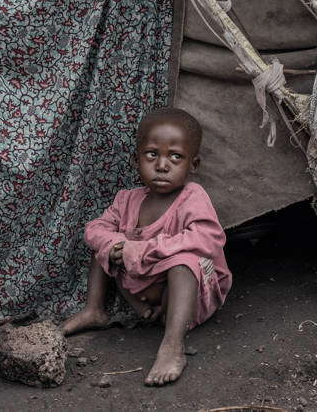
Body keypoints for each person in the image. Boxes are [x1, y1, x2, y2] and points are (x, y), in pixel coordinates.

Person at [61, 107, 232, 386]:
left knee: (184, 262)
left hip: (189, 298)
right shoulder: (127, 199)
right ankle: (95, 309)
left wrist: (145, 249)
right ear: (136, 159)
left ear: (193, 164)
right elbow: (94, 230)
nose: (162, 165)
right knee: (104, 246)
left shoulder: (192, 197)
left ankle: (172, 345)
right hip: (142, 293)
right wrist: (118, 245)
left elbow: (208, 238)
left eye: (175, 156)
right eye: (152, 154)